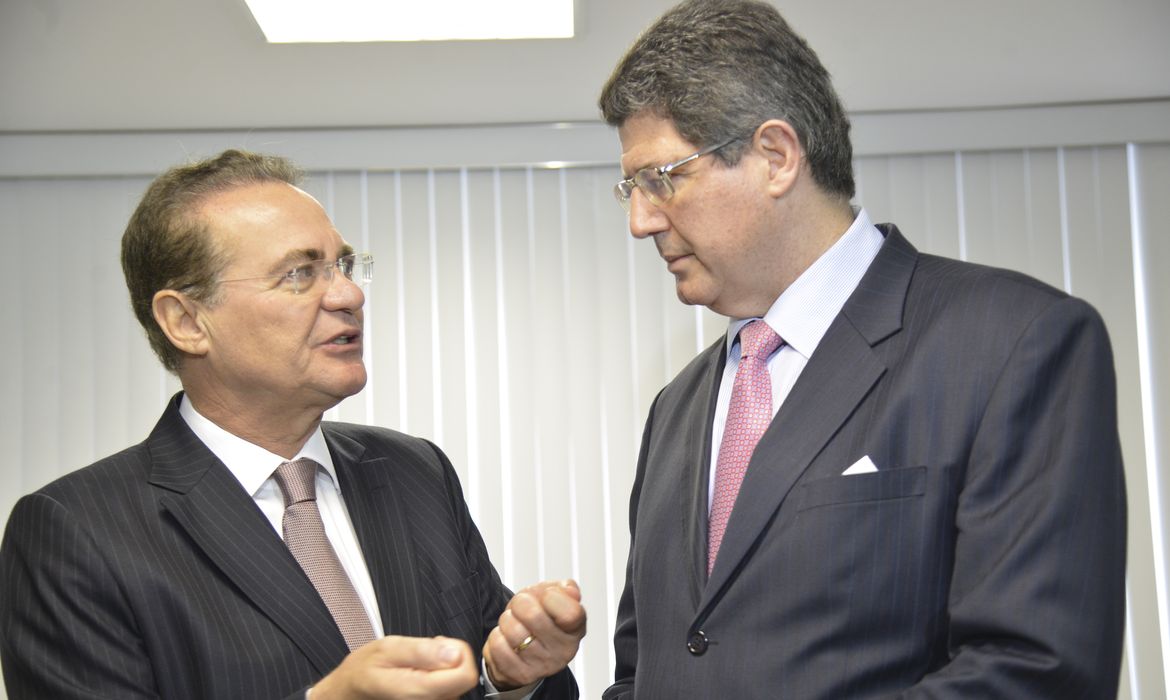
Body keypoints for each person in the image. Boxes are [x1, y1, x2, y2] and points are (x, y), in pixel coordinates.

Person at [597, 1, 1127, 698]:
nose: (640, 221)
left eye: (662, 179)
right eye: (631, 189)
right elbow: (647, 673)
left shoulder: (1015, 342)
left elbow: (1035, 671)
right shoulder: (676, 409)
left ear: (776, 157)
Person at [0, 149, 585, 700]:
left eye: (343, 265)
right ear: (185, 320)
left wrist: (515, 680)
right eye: (300, 274)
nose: (350, 293)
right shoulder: (77, 532)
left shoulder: (415, 472)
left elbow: (494, 674)